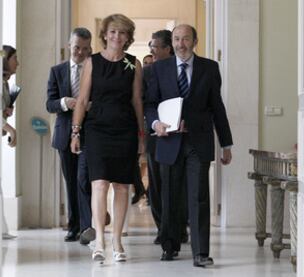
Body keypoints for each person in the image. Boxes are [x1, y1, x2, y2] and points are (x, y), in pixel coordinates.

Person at [144, 24, 233, 267]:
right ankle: (169, 246)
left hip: (198, 141)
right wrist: (156, 123)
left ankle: (200, 252)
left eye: (185, 39)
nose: (181, 44)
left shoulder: (209, 68)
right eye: (176, 39)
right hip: (168, 141)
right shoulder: (158, 69)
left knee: (199, 196)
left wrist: (226, 143)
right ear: (171, 43)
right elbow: (150, 104)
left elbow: (217, 107)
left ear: (195, 41)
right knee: (169, 196)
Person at [70, 14, 145, 262]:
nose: (116, 36)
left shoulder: (134, 64)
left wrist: (141, 135)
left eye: (122, 32)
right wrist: (75, 131)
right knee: (99, 184)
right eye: (112, 31)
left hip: (125, 129)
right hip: (98, 129)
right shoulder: (92, 62)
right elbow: (81, 100)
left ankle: (117, 241)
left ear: (128, 38)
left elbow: (136, 101)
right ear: (105, 34)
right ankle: (100, 240)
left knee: (122, 186)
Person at [46, 27, 96, 245]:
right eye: (76, 47)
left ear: (90, 49)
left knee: (84, 180)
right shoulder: (57, 71)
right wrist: (65, 103)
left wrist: (91, 106)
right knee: (71, 181)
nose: (80, 52)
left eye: (85, 49)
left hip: (90, 133)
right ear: (69, 46)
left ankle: (87, 226)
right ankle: (74, 225)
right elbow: (49, 104)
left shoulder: (95, 70)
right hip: (65, 134)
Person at [143, 30, 188, 245]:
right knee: (157, 186)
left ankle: (180, 227)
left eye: (155, 46)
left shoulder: (188, 69)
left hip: (184, 137)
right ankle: (163, 228)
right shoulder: (149, 71)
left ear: (167, 48)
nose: (151, 50)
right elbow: (146, 102)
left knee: (182, 186)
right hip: (156, 136)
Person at [1, 45, 19, 240]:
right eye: (15, 58)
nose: (18, 63)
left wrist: (7, 109)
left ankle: (2, 228)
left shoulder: (6, 83)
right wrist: (10, 130)